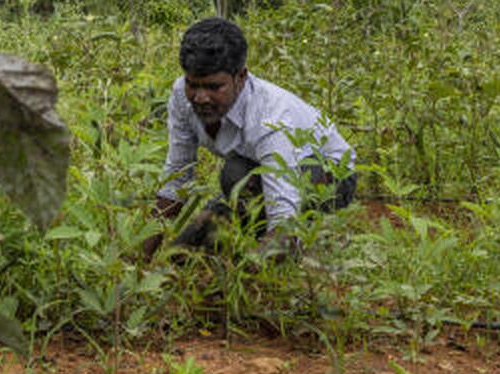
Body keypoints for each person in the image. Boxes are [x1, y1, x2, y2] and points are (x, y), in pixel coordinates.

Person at [143, 17, 356, 259]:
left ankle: (295, 245)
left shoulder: (270, 117)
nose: (201, 98)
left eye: (214, 87)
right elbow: (177, 175)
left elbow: (283, 218)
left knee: (237, 180)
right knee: (181, 253)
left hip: (332, 173)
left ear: (241, 77)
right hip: (253, 168)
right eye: (193, 85)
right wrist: (139, 255)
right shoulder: (181, 95)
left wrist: (243, 273)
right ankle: (231, 219)